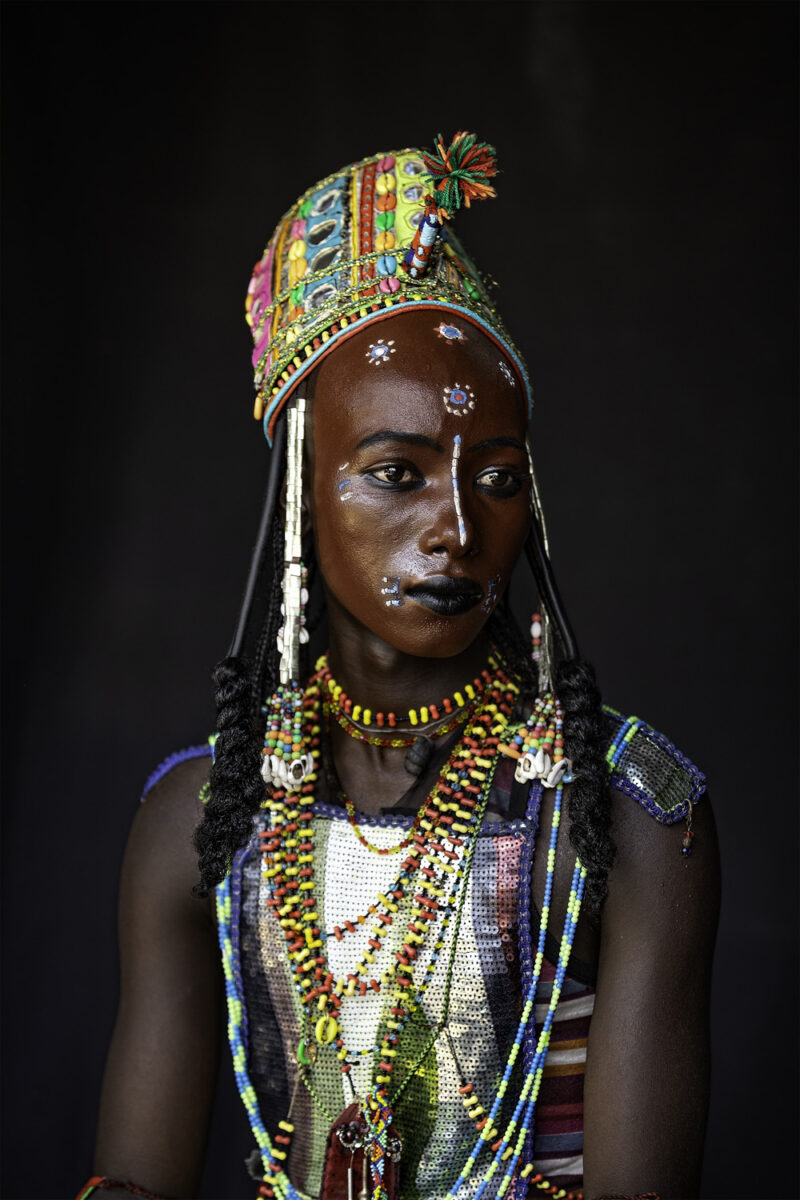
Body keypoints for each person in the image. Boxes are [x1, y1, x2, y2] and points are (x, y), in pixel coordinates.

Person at [77, 133, 720, 1200]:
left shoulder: (623, 816)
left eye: (498, 478)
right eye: (394, 472)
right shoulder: (206, 819)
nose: (455, 528)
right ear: (302, 491)